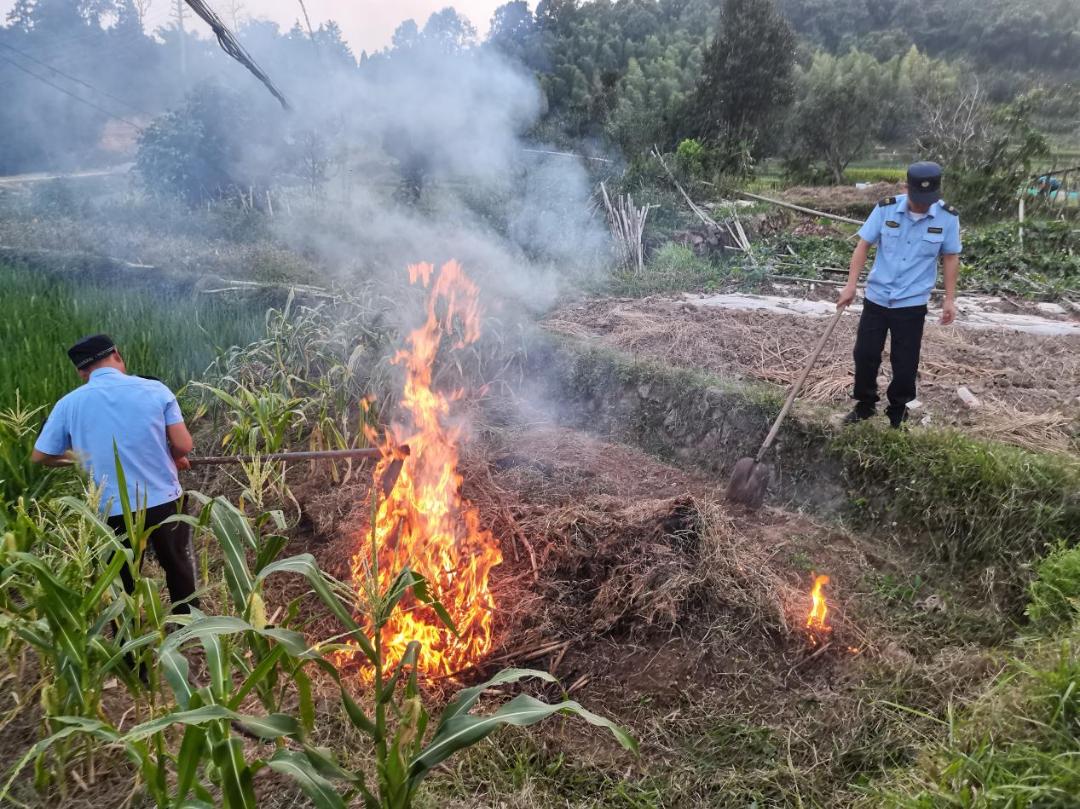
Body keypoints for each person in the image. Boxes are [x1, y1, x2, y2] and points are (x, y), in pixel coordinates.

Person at [31, 334, 199, 614]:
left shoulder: (68, 404)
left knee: (121, 579)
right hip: (163, 500)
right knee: (177, 563)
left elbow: (41, 455)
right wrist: (174, 456)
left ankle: (129, 649)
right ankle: (189, 625)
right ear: (117, 355)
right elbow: (183, 444)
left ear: (81, 372)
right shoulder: (155, 389)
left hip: (111, 507)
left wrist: (84, 458)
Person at [837, 161, 961, 428]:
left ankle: (897, 411)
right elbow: (863, 245)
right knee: (865, 353)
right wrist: (850, 285)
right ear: (907, 188)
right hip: (878, 297)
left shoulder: (948, 218)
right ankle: (865, 404)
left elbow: (950, 257)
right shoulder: (885, 208)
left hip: (912, 303)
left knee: (905, 362)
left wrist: (950, 299)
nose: (922, 205)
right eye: (918, 199)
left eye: (928, 200)